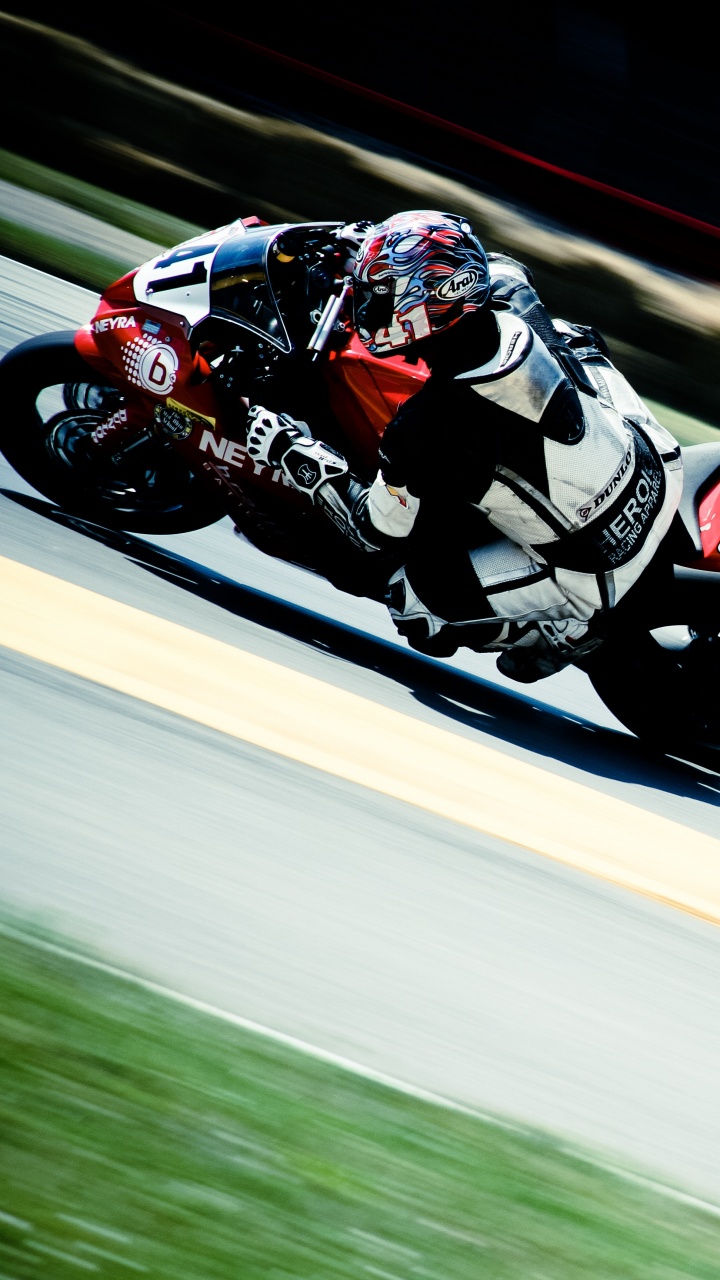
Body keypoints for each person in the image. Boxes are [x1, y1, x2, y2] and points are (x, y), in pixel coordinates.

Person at [244, 210, 683, 682]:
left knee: (414, 606)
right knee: (575, 340)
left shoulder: (426, 427)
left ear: (424, 306)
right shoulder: (509, 292)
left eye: (382, 295)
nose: (369, 306)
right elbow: (492, 263)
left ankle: (567, 631)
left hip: (597, 565)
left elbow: (375, 531)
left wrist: (293, 454)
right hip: (657, 467)